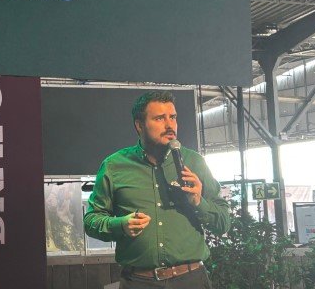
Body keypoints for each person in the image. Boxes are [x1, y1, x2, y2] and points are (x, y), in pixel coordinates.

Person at [83, 91, 230, 288]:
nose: (170, 125)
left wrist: (198, 201)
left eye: (173, 117)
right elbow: (91, 221)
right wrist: (120, 225)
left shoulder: (195, 162)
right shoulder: (114, 165)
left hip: (191, 280)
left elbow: (223, 223)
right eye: (160, 118)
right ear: (139, 125)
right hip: (138, 282)